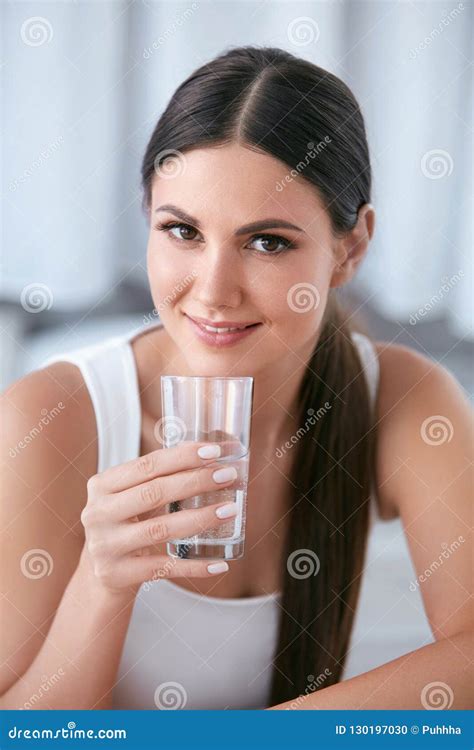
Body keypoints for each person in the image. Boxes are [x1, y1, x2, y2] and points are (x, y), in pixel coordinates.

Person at [1, 46, 472, 711]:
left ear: (351, 248)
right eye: (182, 231)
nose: (214, 292)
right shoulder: (48, 419)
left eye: (268, 242)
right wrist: (101, 586)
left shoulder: (401, 398)